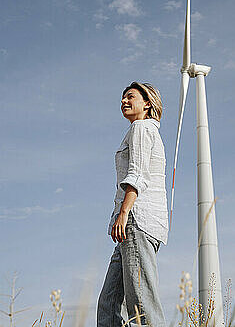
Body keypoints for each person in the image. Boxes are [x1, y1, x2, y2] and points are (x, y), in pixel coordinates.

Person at [97, 82, 169, 327]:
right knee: (108, 303)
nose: (124, 102)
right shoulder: (142, 130)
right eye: (122, 99)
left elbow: (137, 175)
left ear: (147, 103)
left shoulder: (141, 127)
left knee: (142, 304)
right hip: (132, 226)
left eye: (130, 97)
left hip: (137, 221)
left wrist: (124, 213)